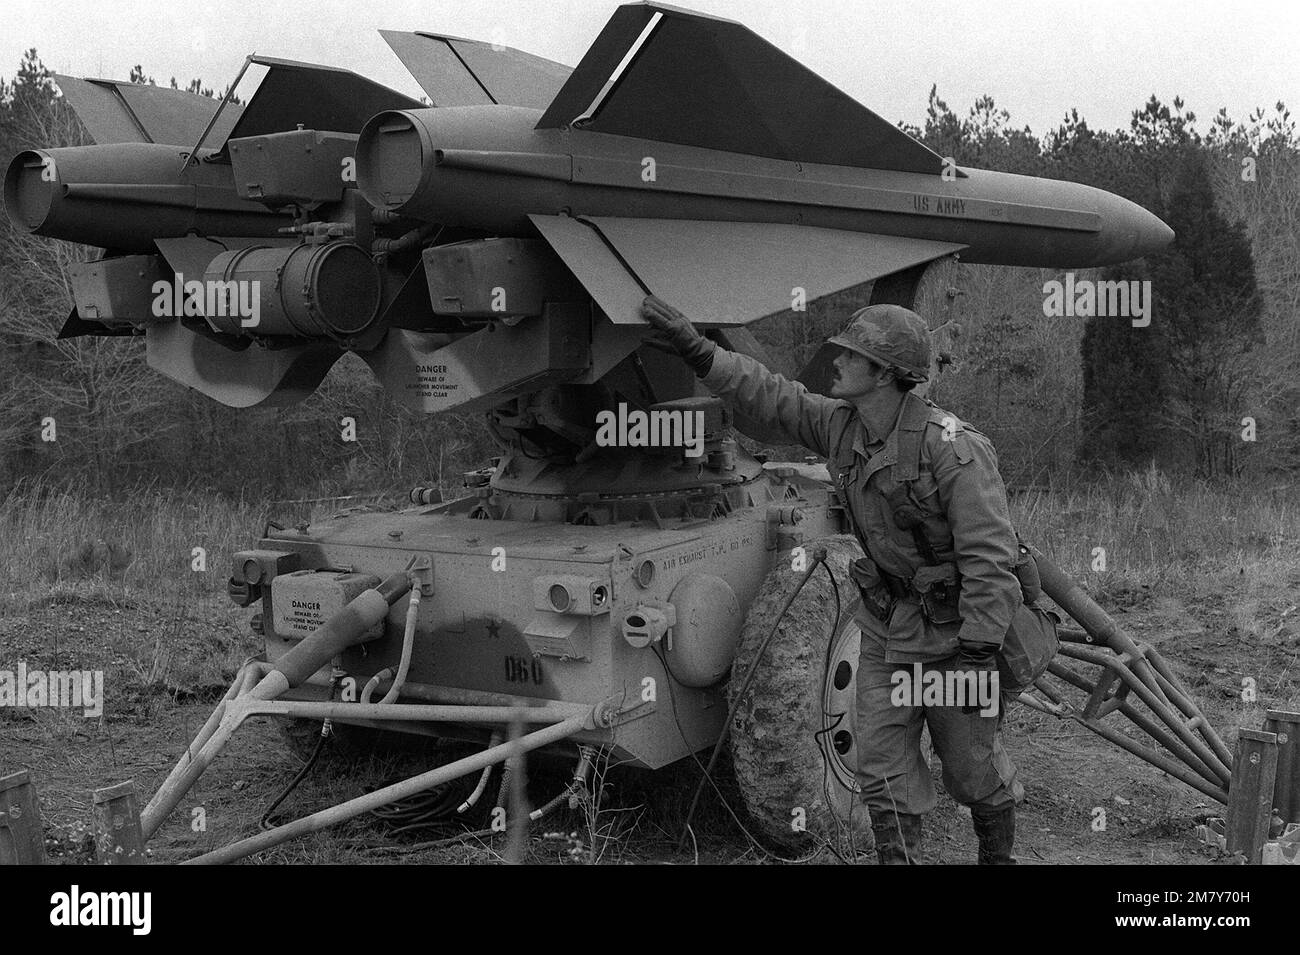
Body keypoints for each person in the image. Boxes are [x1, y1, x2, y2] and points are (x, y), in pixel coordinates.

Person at [640, 293, 1056, 865]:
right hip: (889, 627)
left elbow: (990, 560)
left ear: (886, 374)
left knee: (969, 768)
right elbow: (772, 395)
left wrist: (980, 652)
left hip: (958, 638)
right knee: (881, 769)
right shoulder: (841, 426)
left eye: (851, 355)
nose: (834, 361)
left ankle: (997, 857)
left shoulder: (953, 449)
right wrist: (699, 351)